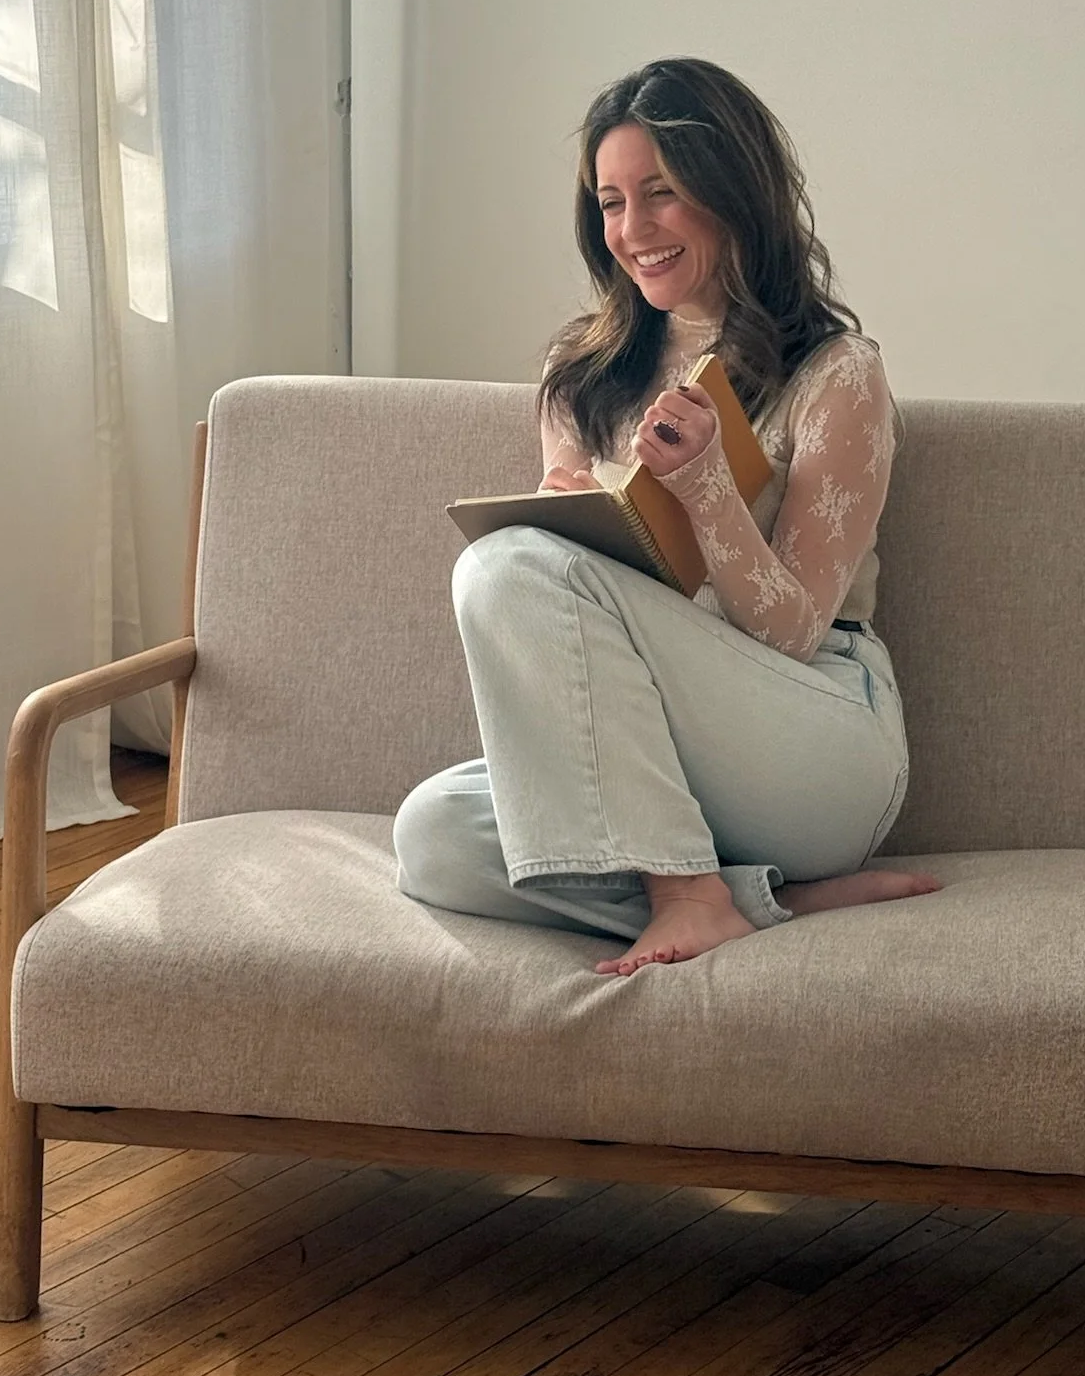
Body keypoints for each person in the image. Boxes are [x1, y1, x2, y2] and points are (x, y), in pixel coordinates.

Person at [393, 57, 939, 976]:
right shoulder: (580, 375)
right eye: (610, 203)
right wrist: (568, 526)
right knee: (432, 836)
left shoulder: (837, 371)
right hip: (660, 757)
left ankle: (689, 892)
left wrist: (709, 490)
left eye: (661, 193)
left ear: (734, 193)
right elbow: (559, 615)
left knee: (506, 565)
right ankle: (751, 896)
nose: (632, 231)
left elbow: (796, 632)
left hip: (814, 743)